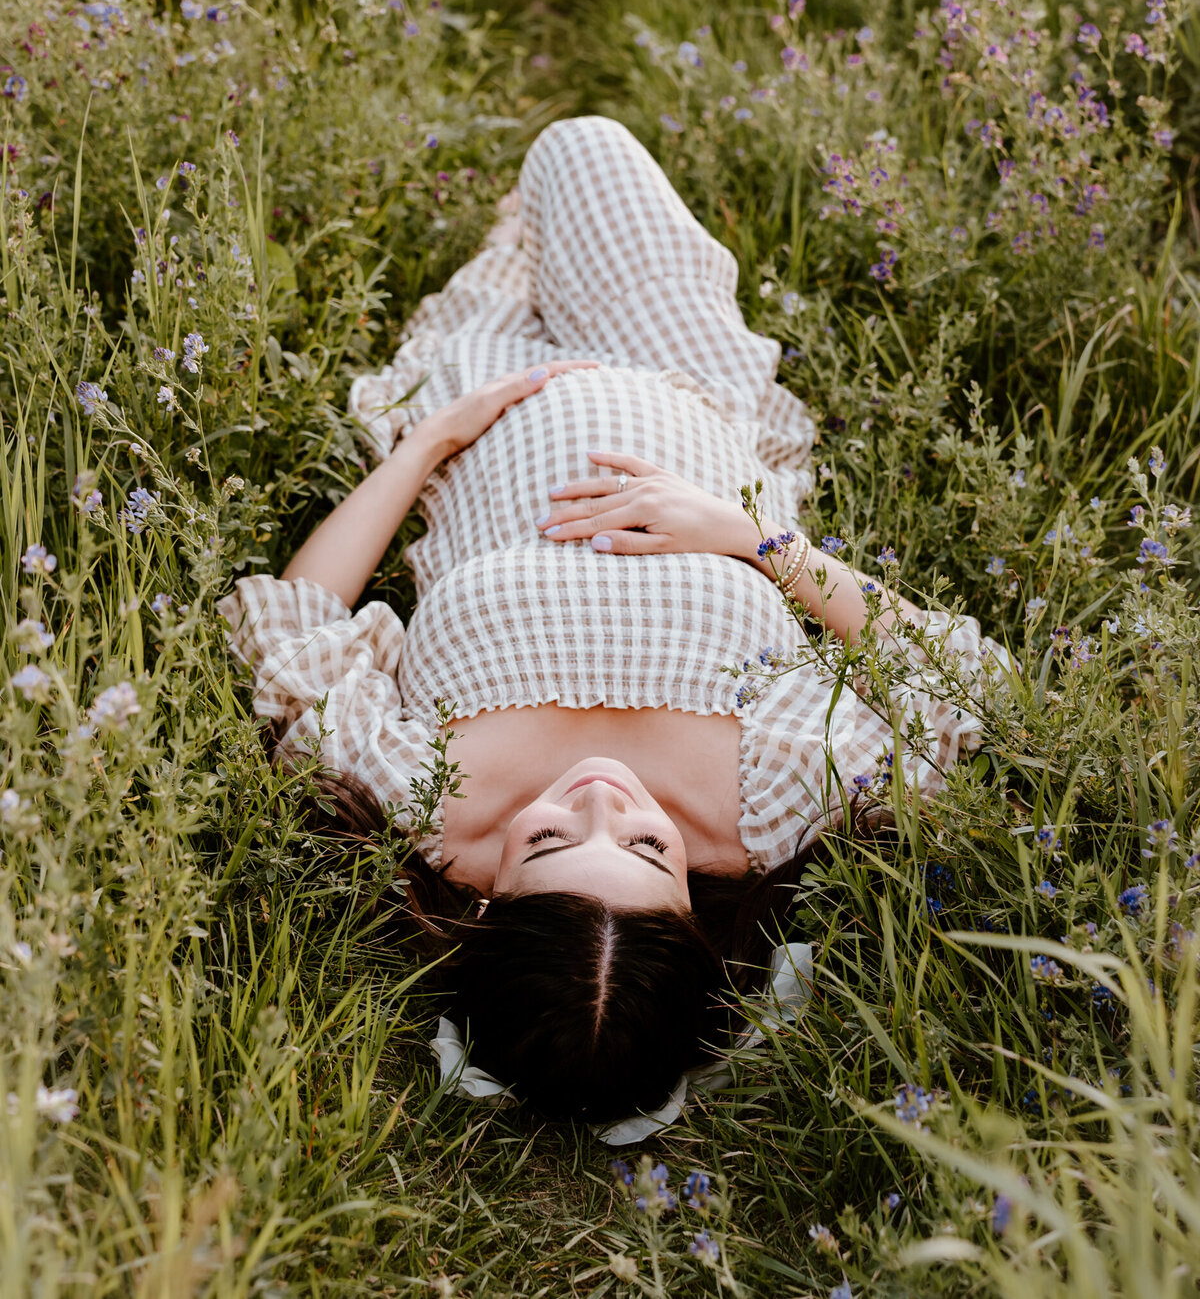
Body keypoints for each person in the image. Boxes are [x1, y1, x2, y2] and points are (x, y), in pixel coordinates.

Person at [219, 116, 1007, 1127]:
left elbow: (290, 625)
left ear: (489, 894)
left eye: (549, 838)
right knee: (584, 147)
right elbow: (963, 679)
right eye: (646, 845)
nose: (603, 797)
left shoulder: (425, 800)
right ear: (692, 905)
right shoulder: (767, 805)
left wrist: (426, 446)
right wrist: (753, 535)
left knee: (556, 181)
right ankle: (545, 246)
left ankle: (526, 255)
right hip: (684, 386)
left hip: (485, 392)